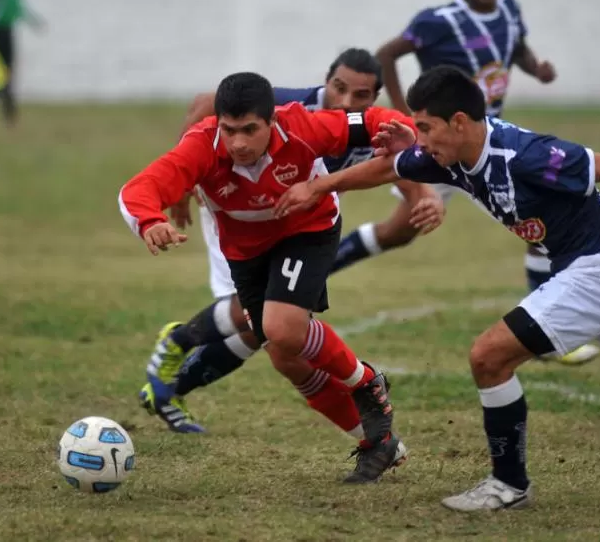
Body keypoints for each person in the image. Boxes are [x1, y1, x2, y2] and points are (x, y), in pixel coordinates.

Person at [274, 65, 600, 508]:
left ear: (459, 122)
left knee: (488, 356)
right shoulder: (449, 155)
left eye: (426, 125)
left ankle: (509, 484)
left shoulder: (526, 156)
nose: (420, 136)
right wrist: (321, 184)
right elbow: (390, 167)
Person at [119, 72, 437, 482]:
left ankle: (366, 380)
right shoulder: (201, 146)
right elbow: (139, 188)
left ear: (271, 122)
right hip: (246, 254)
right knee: (286, 357)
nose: (238, 143)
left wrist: (405, 134)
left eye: (250, 130)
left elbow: (374, 119)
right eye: (229, 130)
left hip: (308, 231)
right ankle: (377, 443)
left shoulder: (302, 125)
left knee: (282, 329)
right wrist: (149, 222)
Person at [345, 0, 598, 369]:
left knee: (540, 228)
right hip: (439, 147)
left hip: (487, 145)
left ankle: (554, 335)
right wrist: (408, 114)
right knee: (398, 231)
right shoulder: (438, 22)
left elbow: (515, 46)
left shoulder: (509, 9)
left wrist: (536, 68)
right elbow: (387, 54)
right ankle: (305, 286)